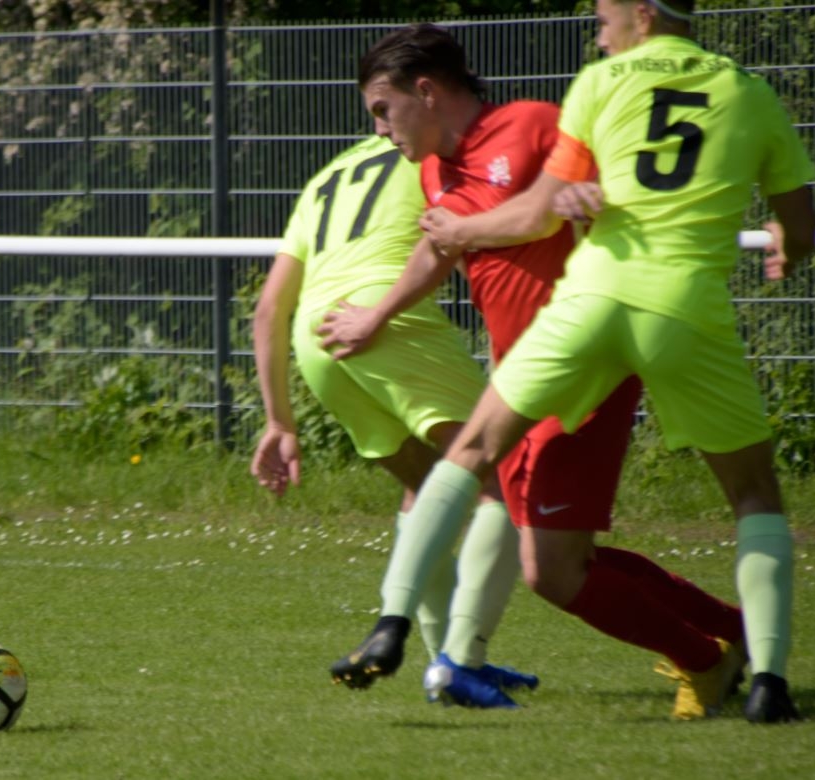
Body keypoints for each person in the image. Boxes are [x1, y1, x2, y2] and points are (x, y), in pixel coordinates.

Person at [319, 21, 749, 719]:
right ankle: (732, 631)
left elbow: (582, 195)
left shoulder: (532, 125)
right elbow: (439, 247)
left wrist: (589, 197)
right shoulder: (434, 170)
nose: (379, 129)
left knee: (550, 570)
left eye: (382, 109)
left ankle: (706, 660)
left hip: (583, 366)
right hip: (519, 381)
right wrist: (378, 313)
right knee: (558, 555)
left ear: (425, 92)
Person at [410, 0, 815, 724]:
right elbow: (801, 225)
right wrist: (786, 241)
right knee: (752, 495)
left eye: (603, 16)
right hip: (682, 309)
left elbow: (542, 208)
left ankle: (403, 633)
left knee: (492, 483)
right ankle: (767, 677)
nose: (597, 33)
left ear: (642, 14)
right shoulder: (749, 92)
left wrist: (470, 228)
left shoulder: (595, 85)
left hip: (587, 312)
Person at [250, 133, 537, 708]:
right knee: (504, 472)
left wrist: (280, 421)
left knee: (425, 486)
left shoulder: (329, 174)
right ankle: (459, 660)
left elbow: (268, 308)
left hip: (315, 334)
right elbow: (469, 237)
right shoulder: (432, 149)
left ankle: (445, 665)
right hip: (382, 318)